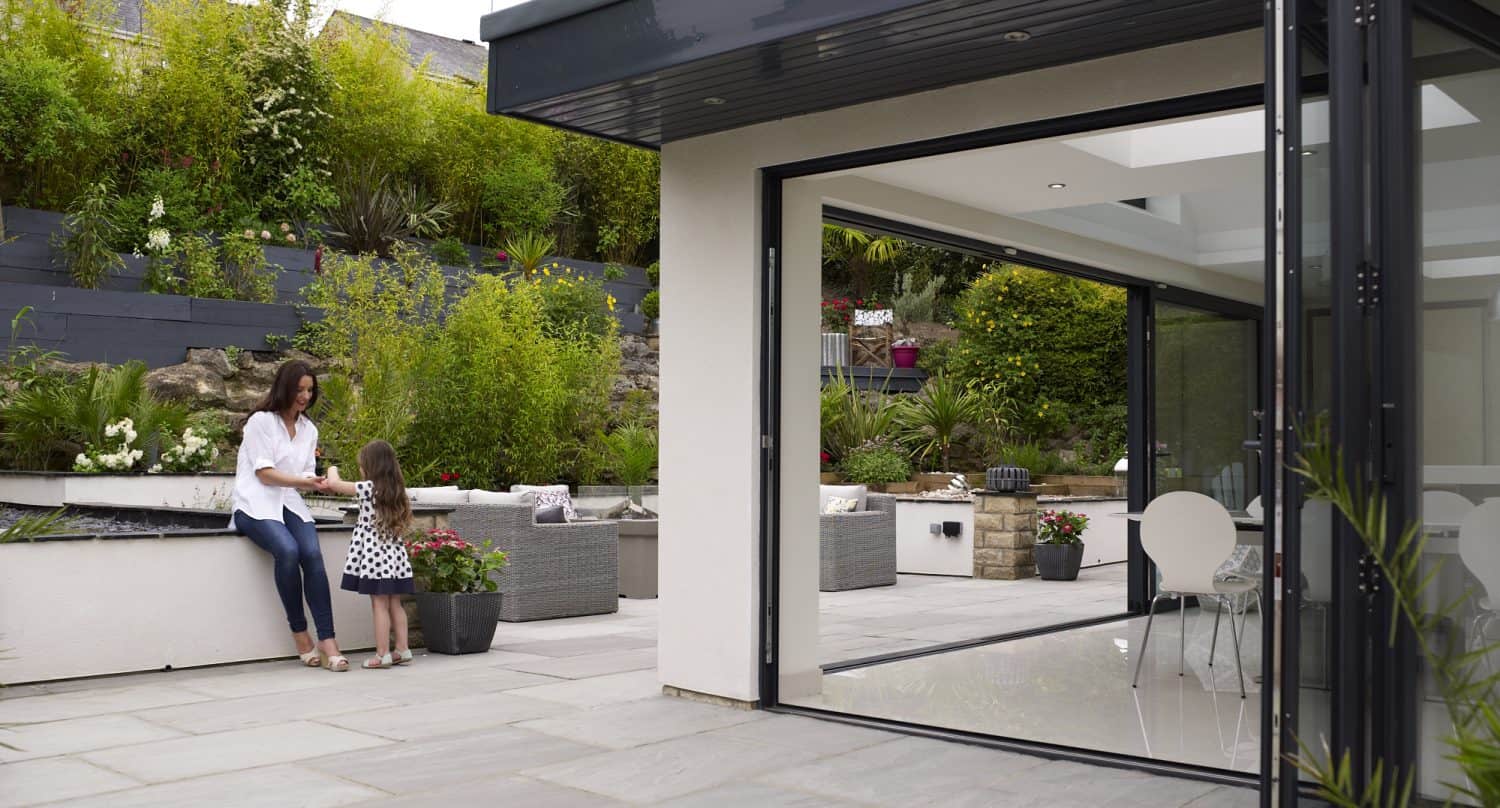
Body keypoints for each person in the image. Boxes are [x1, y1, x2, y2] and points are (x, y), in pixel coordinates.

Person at [231, 360, 348, 672]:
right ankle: (300, 635)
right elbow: (265, 475)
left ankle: (328, 640)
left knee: (311, 553)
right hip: (253, 504)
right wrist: (305, 482)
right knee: (287, 550)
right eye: (299, 389)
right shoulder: (260, 422)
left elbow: (304, 476)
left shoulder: (309, 430)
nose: (305, 396)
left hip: (289, 502)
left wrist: (322, 485)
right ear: (285, 388)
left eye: (310, 390)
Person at [324, 440, 415, 669]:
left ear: (372, 467)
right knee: (395, 603)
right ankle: (402, 650)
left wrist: (331, 468)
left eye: (362, 465)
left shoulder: (368, 488)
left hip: (375, 557)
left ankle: (382, 654)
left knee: (378, 604)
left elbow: (335, 484)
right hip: (394, 556)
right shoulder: (397, 491)